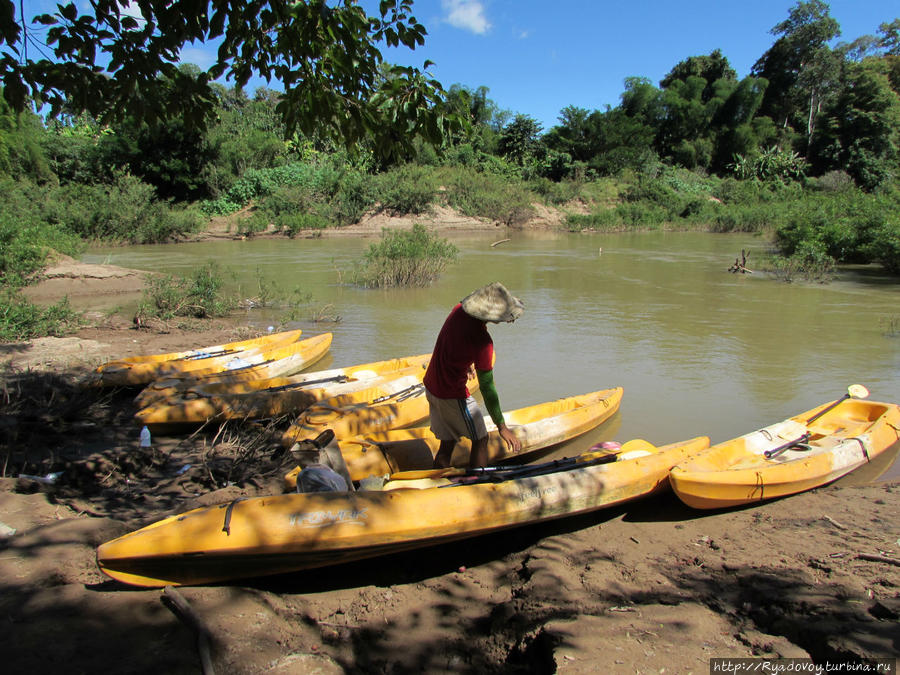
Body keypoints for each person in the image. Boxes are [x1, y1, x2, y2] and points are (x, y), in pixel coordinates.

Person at [423, 282, 524, 469]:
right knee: (481, 439)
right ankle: (477, 483)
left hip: (431, 386)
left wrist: (465, 363)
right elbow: (487, 388)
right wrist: (502, 427)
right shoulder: (483, 342)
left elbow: (450, 341)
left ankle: (436, 483)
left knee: (448, 443)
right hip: (451, 395)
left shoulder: (457, 310)